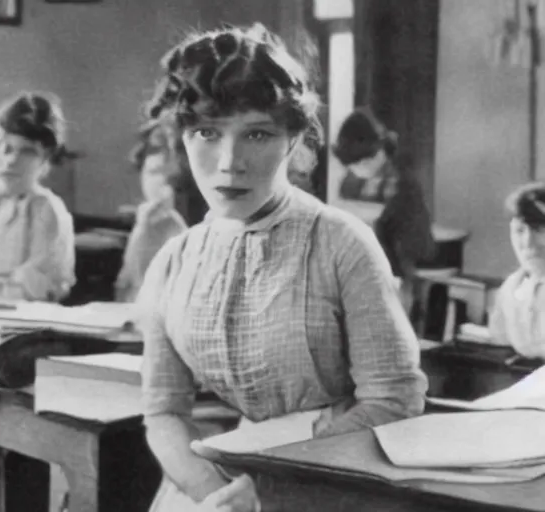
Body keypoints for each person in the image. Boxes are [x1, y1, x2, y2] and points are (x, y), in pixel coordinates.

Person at [139, 23, 427, 511]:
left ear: (293, 140)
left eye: (257, 134)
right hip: (219, 482)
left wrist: (273, 488)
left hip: (333, 476)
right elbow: (163, 411)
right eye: (207, 132)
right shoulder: (174, 260)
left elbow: (393, 400)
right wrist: (216, 493)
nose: (230, 162)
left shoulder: (341, 243)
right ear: (184, 138)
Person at [0, 92, 75, 303]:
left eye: (27, 151)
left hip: (26, 312)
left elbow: (48, 284)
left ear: (45, 159)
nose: (9, 161)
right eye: (0, 147)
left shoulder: (46, 209)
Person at [332, 107, 435, 313]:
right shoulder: (350, 182)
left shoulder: (402, 181)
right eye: (355, 164)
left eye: (367, 160)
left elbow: (413, 240)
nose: (362, 167)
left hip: (396, 266)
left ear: (381, 149)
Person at [115, 119, 187, 303]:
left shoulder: (173, 224)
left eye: (169, 176)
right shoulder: (146, 219)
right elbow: (126, 282)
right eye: (153, 173)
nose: (160, 184)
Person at [489, 182, 545, 360]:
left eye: (539, 230)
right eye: (519, 231)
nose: (528, 243)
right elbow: (500, 347)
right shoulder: (511, 288)